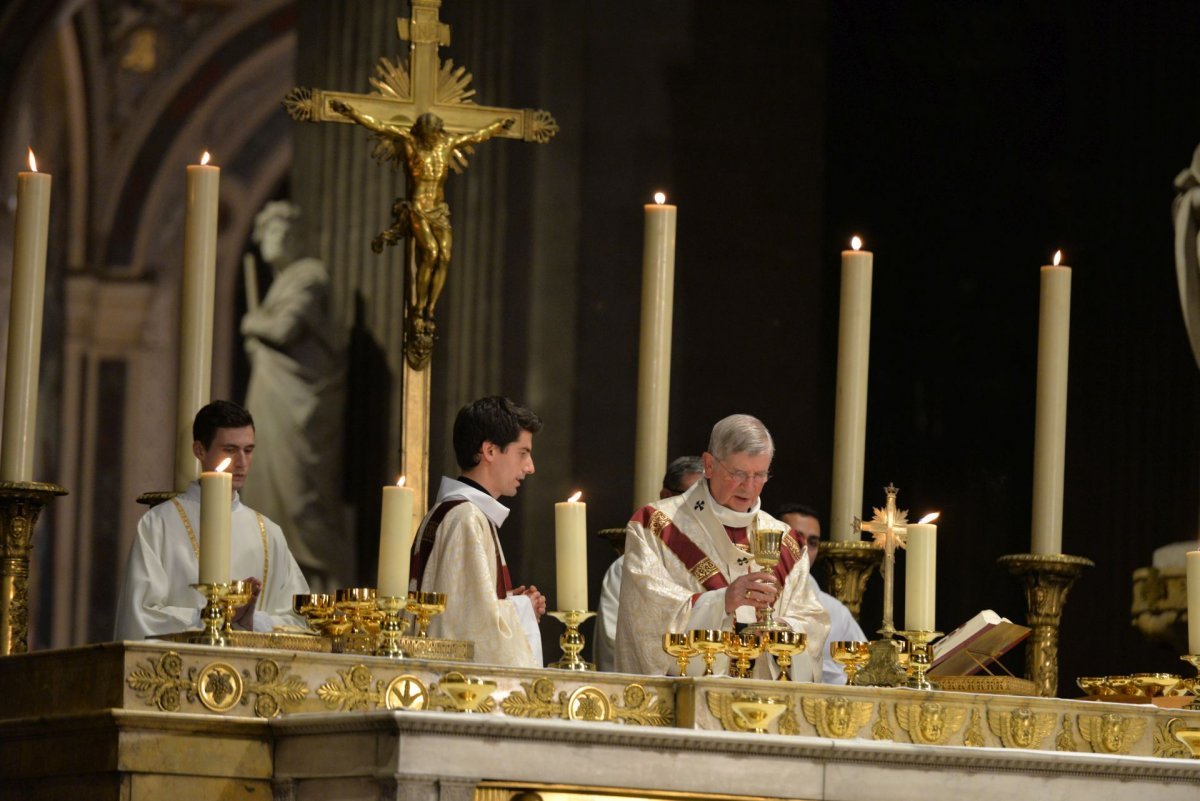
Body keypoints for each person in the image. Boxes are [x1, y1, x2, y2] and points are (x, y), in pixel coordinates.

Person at [615, 415, 830, 679]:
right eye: (738, 474)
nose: (749, 487)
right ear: (709, 464)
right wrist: (720, 602)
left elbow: (813, 622)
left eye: (760, 474)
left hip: (763, 708)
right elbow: (647, 620)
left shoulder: (786, 541)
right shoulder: (654, 527)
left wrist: (781, 631)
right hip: (686, 710)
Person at [114, 401, 310, 640]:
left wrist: (252, 620)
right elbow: (139, 616)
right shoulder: (158, 525)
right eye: (230, 449)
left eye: (248, 450)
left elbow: (300, 620)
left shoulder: (269, 533)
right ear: (199, 450)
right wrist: (213, 615)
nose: (242, 462)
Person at [240, 200, 349, 590]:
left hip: (299, 409)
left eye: (282, 232)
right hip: (272, 405)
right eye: (268, 231)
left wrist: (253, 323)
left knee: (301, 497)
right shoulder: (282, 283)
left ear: (297, 237)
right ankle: (274, 582)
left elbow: (284, 329)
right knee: (268, 497)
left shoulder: (308, 275)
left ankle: (319, 585)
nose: (274, 239)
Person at [329, 100, 514, 323]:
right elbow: (379, 126)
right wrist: (352, 113)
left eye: (434, 132)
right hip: (419, 207)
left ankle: (431, 307)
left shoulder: (446, 145)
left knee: (445, 256)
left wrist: (499, 127)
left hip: (439, 210)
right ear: (421, 132)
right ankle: (419, 305)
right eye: (427, 133)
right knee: (431, 253)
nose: (431, 137)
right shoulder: (411, 144)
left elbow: (475, 136)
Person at [408, 396, 546, 667]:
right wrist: (523, 609)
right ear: (490, 451)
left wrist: (506, 602)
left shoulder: (456, 512)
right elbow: (469, 631)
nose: (530, 467)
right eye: (523, 452)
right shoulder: (466, 518)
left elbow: (460, 609)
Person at [594, 456, 704, 672]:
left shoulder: (719, 565)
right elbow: (615, 639)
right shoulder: (628, 565)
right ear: (665, 496)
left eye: (704, 500)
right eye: (689, 497)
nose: (698, 509)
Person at [778, 502, 868, 684]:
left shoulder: (834, 611)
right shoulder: (750, 595)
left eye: (812, 543)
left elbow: (864, 670)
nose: (804, 549)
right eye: (796, 538)